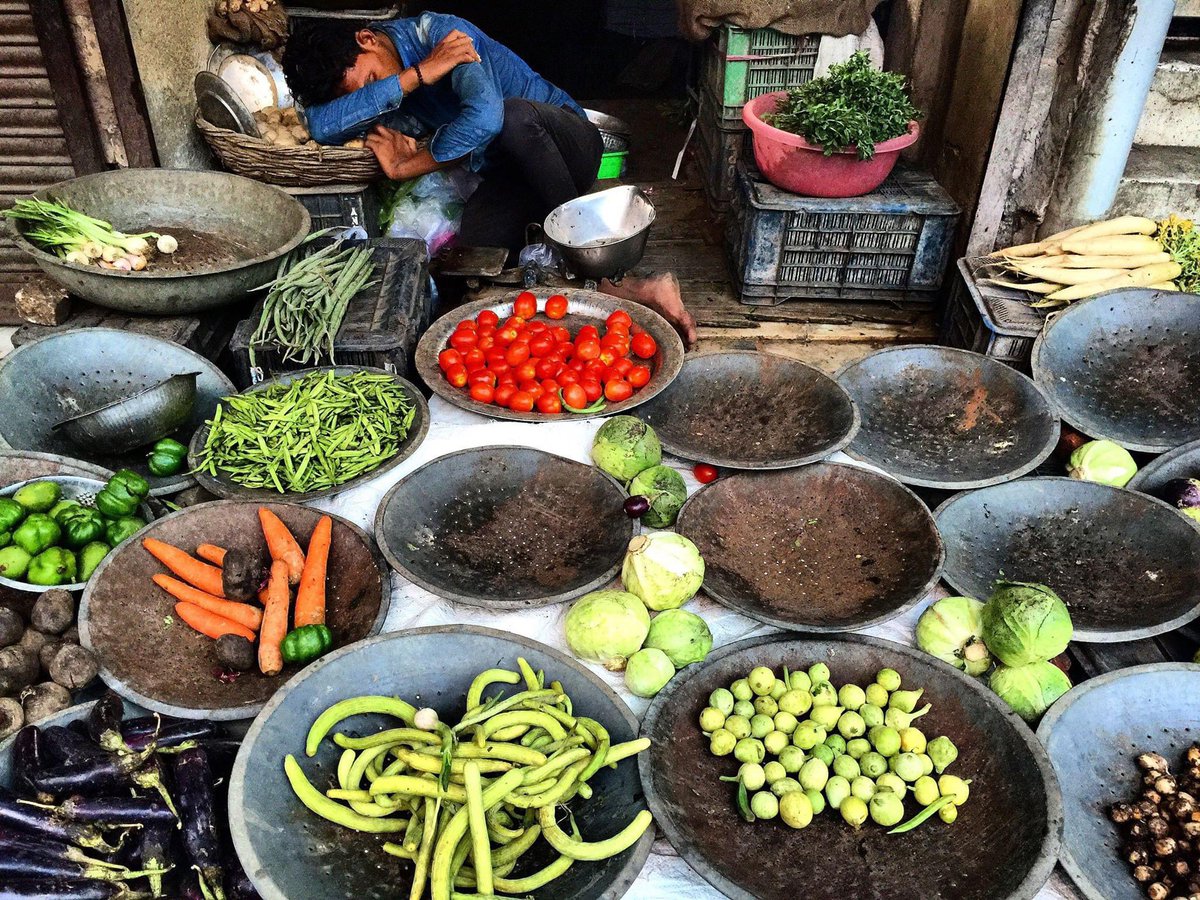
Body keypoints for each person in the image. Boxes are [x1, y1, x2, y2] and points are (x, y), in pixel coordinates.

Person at [282, 14, 697, 345]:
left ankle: (605, 275)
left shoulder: (443, 34)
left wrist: (408, 164)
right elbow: (320, 126)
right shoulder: (419, 64)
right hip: (507, 176)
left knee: (513, 117)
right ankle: (637, 289)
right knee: (471, 263)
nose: (381, 93)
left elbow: (487, 118)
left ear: (368, 39)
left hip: (564, 148)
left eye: (373, 81)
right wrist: (415, 77)